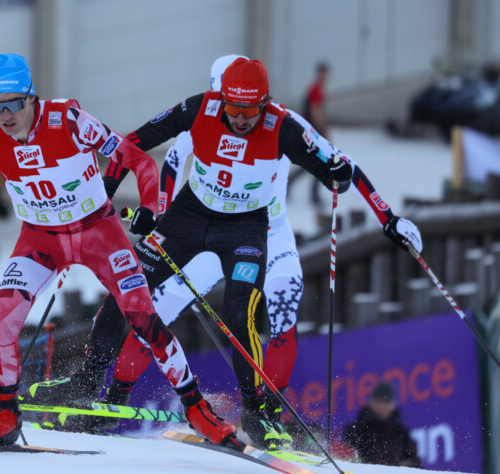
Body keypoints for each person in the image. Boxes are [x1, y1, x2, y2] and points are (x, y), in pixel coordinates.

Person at [30, 56, 422, 450]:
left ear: (264, 104)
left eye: (249, 112)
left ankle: (256, 411)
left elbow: (334, 168)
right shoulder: (202, 107)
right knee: (127, 287)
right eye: (233, 110)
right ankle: (90, 380)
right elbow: (133, 143)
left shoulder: (282, 125)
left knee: (240, 310)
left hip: (246, 228)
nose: (239, 120)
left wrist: (382, 214)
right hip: (189, 215)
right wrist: (105, 192)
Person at [0, 53, 239, 449]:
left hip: (98, 232)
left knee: (143, 317)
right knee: (5, 319)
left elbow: (138, 160)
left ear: (32, 97)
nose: (6, 115)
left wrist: (150, 208)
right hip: (40, 239)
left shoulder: (69, 121)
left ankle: (199, 412)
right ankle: (6, 415)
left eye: (15, 103)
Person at [343, 380, 422, 467]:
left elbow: (415, 461)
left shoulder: (401, 432)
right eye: (379, 401)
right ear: (371, 402)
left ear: (393, 405)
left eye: (387, 402)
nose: (382, 406)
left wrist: (406, 465)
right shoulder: (356, 430)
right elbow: (346, 460)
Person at [302, 62, 331, 223]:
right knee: (319, 162)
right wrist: (323, 131)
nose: (326, 77)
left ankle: (289, 186)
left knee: (308, 162)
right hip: (313, 132)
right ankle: (314, 195)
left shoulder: (316, 89)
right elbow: (315, 110)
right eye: (324, 74)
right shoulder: (316, 90)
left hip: (311, 131)